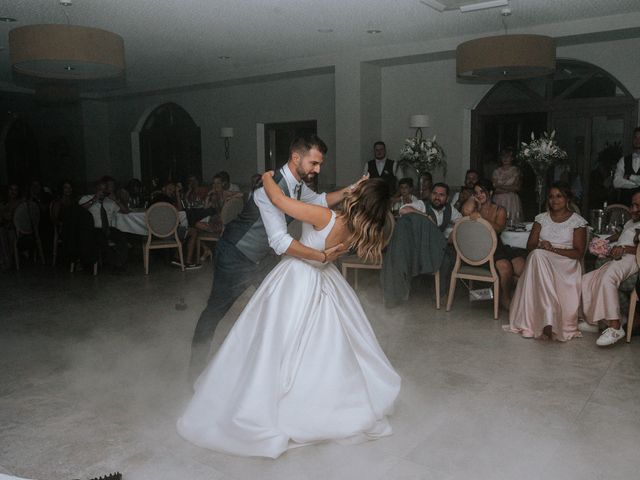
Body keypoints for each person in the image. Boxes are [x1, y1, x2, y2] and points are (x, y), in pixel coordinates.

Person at [177, 174, 400, 458]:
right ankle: (323, 405)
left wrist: (267, 177)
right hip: (325, 281)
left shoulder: (325, 217)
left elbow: (280, 200)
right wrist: (350, 189)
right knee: (320, 348)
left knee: (275, 342)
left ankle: (271, 403)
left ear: (360, 197)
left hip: (297, 278)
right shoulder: (356, 228)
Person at [188, 135, 365, 381]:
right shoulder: (266, 189)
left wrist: (351, 190)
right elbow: (280, 241)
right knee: (215, 312)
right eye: (314, 163)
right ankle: (195, 374)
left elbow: (319, 201)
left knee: (279, 311)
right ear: (296, 158)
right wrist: (321, 256)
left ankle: (272, 374)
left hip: (264, 259)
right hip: (236, 255)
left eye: (319, 164)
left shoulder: (298, 184)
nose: (318, 169)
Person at [504, 182, 587, 341]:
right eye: (551, 197)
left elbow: (578, 252)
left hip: (565, 264)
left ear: (567, 199)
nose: (554, 200)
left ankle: (549, 319)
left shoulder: (577, 221)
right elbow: (530, 246)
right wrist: (541, 245)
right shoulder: (541, 219)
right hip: (542, 261)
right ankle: (546, 319)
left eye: (559, 196)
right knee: (536, 255)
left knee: (538, 256)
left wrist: (553, 250)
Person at [580, 190, 640, 346]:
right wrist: (604, 242)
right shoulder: (631, 222)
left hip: (634, 259)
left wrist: (626, 249)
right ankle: (595, 322)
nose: (633, 209)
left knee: (608, 278)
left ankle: (615, 326)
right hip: (620, 257)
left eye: (638, 206)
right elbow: (620, 236)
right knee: (587, 279)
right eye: (632, 205)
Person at [462, 179, 526, 310]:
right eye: (476, 193)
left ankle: (516, 295)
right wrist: (473, 200)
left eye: (482, 192)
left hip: (498, 246)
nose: (479, 195)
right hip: (481, 250)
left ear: (490, 192)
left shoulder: (499, 210)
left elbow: (498, 229)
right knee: (505, 266)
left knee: (521, 265)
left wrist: (481, 218)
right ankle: (505, 297)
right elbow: (465, 212)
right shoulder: (473, 207)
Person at [491, 147, 523, 224]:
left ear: (512, 158)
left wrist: (500, 186)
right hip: (498, 199)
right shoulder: (496, 171)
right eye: (503, 156)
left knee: (512, 223)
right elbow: (494, 189)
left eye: (508, 157)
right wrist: (510, 188)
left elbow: (516, 188)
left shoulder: (516, 170)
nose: (505, 159)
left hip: (511, 200)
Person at [613, 127, 640, 205]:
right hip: (626, 205)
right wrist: (637, 183)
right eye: (635, 137)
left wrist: (629, 177)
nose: (637, 140)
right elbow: (616, 182)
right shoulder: (623, 160)